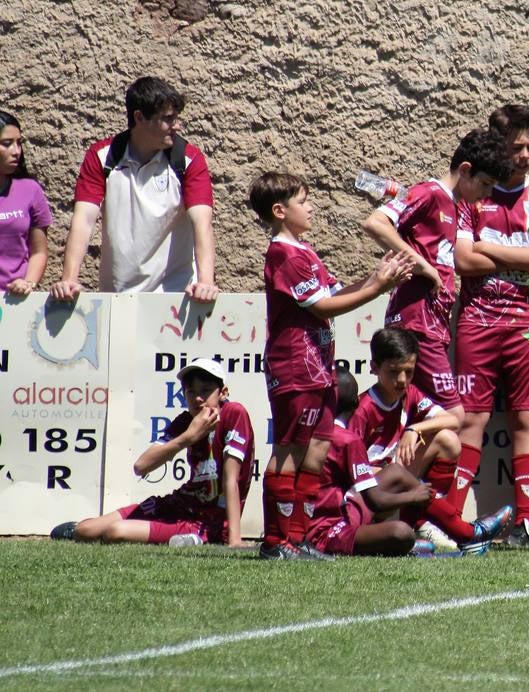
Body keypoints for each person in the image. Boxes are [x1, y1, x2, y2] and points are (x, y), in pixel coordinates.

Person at [248, 170, 415, 560]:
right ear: (279, 210)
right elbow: (321, 306)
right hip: (294, 365)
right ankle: (276, 542)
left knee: (318, 449)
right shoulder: (282, 253)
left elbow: (335, 293)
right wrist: (376, 289)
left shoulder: (304, 250)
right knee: (290, 449)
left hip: (319, 367)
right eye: (303, 201)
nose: (310, 207)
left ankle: (301, 539)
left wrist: (379, 279)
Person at [452, 105, 529, 546]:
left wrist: (487, 247)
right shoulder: (475, 192)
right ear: (499, 146)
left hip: (527, 322)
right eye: (517, 147)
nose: (526, 156)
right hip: (477, 319)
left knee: (525, 420)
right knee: (472, 419)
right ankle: (451, 520)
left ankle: (528, 521)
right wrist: (518, 255)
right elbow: (462, 261)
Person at [360, 127, 510, 413]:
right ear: (465, 170)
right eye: (486, 184)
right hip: (416, 323)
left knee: (417, 416)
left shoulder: (455, 206)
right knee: (453, 416)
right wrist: (423, 265)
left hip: (434, 326)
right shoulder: (429, 193)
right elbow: (376, 223)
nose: (487, 194)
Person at [54, 357, 254, 547]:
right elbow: (141, 466)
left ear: (223, 392)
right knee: (85, 530)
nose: (198, 398)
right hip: (179, 504)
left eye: (206, 390)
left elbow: (231, 480)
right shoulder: (186, 422)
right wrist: (188, 437)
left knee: (115, 532)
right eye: (190, 391)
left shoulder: (234, 414)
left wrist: (234, 540)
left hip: (206, 520)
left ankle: (197, 537)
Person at [346, 327, 513, 554]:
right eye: (394, 371)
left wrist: (415, 429)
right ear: (375, 367)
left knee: (447, 440)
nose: (402, 380)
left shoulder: (410, 395)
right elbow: (351, 472)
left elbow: (453, 420)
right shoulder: (363, 410)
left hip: (396, 487)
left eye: (409, 371)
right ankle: (465, 532)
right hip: (368, 496)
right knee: (396, 471)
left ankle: (419, 525)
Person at [53, 77, 218, 301]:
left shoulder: (189, 159)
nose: (176, 126)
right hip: (117, 295)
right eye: (167, 119)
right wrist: (69, 278)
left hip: (175, 294)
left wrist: (206, 282)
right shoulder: (102, 156)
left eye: (176, 118)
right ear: (139, 117)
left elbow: (202, 223)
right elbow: (83, 220)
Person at [306, 367, 436, 558]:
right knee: (402, 533)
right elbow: (376, 501)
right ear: (356, 402)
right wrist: (413, 497)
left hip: (329, 516)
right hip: (327, 532)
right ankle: (456, 531)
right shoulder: (347, 439)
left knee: (395, 472)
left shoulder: (310, 432)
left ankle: (461, 531)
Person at [0, 110, 52, 296]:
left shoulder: (30, 190)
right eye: (7, 144)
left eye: (19, 143)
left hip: (17, 300)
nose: (16, 151)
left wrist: (28, 282)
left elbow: (39, 251)